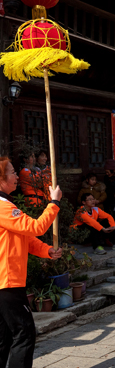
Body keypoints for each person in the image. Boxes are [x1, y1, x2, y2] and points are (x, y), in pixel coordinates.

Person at [0, 156, 63, 367]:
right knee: (24, 333)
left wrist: (47, 250)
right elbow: (36, 227)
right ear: (1, 179)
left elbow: (25, 237)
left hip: (5, 280)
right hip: (6, 281)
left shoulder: (5, 204)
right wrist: (54, 203)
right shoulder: (3, 207)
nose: (16, 175)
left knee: (5, 336)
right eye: (11, 172)